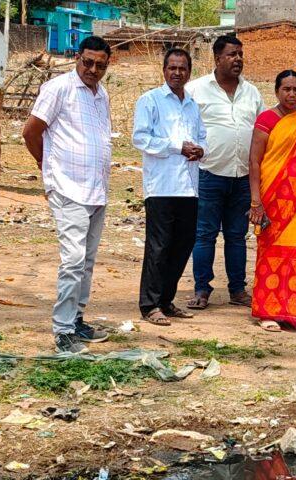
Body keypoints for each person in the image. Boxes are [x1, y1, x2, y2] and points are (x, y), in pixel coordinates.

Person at [22, 36, 112, 354]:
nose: (92, 69)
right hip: (67, 187)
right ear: (77, 58)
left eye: (100, 65)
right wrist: (46, 164)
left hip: (96, 190)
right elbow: (30, 132)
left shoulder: (102, 94)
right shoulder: (58, 88)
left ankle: (76, 320)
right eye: (87, 62)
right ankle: (62, 331)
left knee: (86, 261)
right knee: (73, 261)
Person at [185, 35, 265, 311]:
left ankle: (237, 290)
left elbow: (262, 131)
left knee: (236, 235)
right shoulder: (196, 90)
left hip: (242, 176)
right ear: (217, 58)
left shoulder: (252, 92)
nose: (238, 59)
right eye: (232, 54)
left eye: (240, 54)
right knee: (205, 234)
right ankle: (201, 289)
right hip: (209, 173)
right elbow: (183, 124)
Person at [133, 48, 207, 326]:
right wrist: (177, 147)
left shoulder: (192, 105)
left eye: (182, 68)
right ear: (164, 70)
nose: (177, 73)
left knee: (182, 245)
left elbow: (202, 136)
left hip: (189, 187)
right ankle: (149, 304)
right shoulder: (150, 100)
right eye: (172, 68)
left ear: (189, 72)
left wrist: (201, 150)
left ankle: (166, 300)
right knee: (159, 246)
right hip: (161, 187)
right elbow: (141, 138)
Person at [248, 70, 296, 332]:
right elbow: (254, 161)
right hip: (274, 198)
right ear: (276, 91)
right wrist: (256, 201)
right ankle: (268, 311)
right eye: (286, 89)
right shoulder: (266, 119)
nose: (292, 94)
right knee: (272, 252)